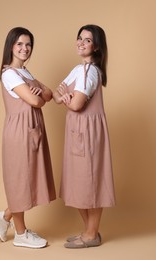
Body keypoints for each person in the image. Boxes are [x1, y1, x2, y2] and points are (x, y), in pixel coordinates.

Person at [0, 27, 56, 249]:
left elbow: (49, 94)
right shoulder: (9, 73)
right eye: (20, 44)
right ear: (11, 46)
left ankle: (4, 217)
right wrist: (37, 93)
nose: (25, 48)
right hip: (19, 131)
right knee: (20, 180)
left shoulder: (26, 73)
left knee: (29, 179)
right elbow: (38, 101)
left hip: (32, 129)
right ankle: (20, 234)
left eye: (28, 45)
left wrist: (37, 91)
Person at [52, 24, 115, 248]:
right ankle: (90, 231)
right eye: (79, 38)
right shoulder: (78, 70)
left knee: (91, 181)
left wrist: (68, 98)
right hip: (77, 130)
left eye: (87, 40)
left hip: (87, 132)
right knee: (77, 181)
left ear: (96, 47)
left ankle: (91, 234)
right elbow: (55, 94)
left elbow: (76, 104)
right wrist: (66, 97)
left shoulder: (91, 71)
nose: (80, 42)